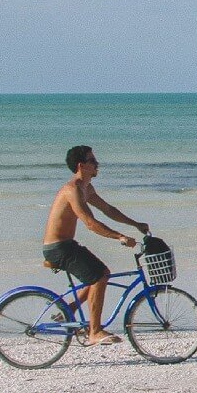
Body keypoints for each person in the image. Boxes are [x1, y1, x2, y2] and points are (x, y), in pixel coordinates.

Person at [42, 145, 149, 346]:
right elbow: (90, 223)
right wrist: (119, 237)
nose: (97, 163)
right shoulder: (72, 190)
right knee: (99, 276)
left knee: (101, 273)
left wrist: (135, 224)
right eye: (92, 161)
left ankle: (70, 309)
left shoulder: (86, 188)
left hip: (66, 245)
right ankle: (94, 331)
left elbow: (108, 209)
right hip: (58, 248)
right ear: (81, 165)